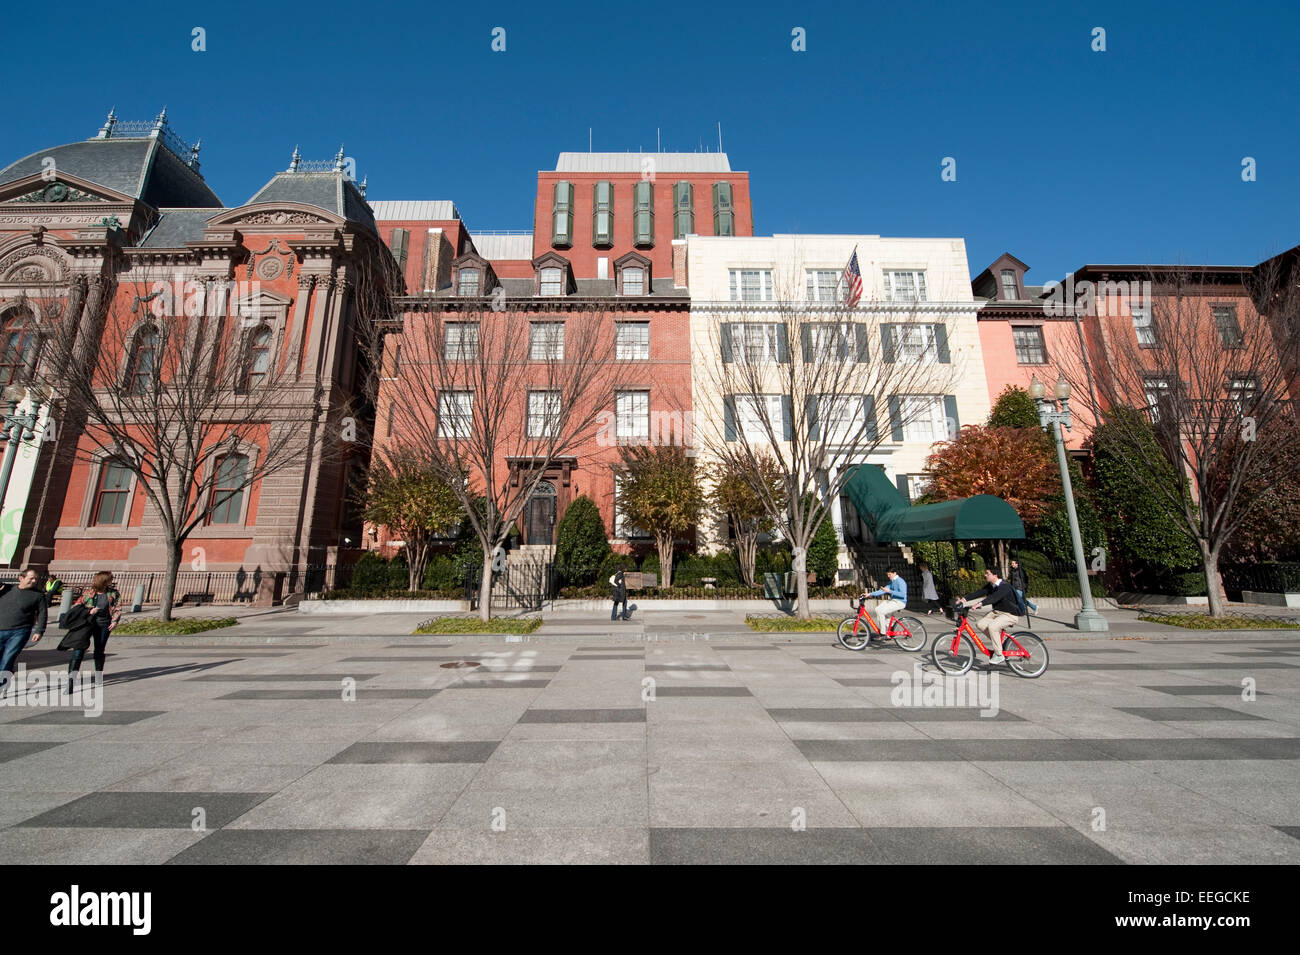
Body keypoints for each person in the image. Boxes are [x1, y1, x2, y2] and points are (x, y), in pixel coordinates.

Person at [958, 568, 1022, 666]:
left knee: (992, 627)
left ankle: (999, 654)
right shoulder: (991, 586)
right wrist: (964, 599)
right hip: (997, 613)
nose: (985, 575)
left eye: (987, 573)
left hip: (1010, 615)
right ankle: (999, 646)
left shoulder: (1005, 586)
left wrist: (980, 604)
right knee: (980, 624)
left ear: (995, 575)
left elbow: (994, 598)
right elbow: (980, 592)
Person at [0, 568, 49, 690]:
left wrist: (39, 630)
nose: (34, 581)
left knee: (8, 657)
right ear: (21, 578)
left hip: (20, 631)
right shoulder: (6, 589)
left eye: (35, 579)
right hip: (1, 628)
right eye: (31, 578)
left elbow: (43, 613)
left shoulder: (38, 595)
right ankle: (7, 674)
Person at [66, 571, 121, 676]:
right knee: (78, 650)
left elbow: (118, 608)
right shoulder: (88, 593)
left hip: (104, 624)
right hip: (86, 624)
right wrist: (89, 611)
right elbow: (76, 607)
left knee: (99, 650)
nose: (112, 581)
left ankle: (98, 676)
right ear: (104, 581)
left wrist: (114, 621)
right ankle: (71, 679)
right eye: (110, 579)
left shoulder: (113, 593)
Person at [865, 569, 907, 640]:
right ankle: (890, 628)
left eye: (889, 574)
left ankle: (883, 633)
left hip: (900, 602)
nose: (888, 576)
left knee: (880, 611)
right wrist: (870, 594)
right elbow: (883, 591)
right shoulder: (892, 582)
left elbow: (903, 594)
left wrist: (890, 591)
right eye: (887, 574)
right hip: (893, 601)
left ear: (894, 573)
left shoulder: (900, 581)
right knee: (878, 609)